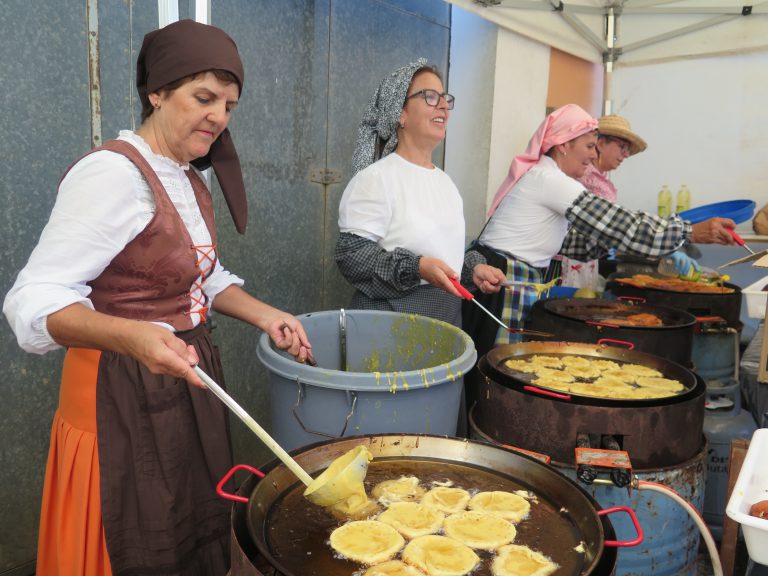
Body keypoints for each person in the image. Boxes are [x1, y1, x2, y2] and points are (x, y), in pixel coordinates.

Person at [3, 20, 312, 576]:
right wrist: (132, 335)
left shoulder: (186, 175)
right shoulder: (114, 175)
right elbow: (32, 303)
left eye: (230, 104)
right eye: (204, 97)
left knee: (184, 525)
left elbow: (201, 274)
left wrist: (268, 316)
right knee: (135, 531)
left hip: (180, 377)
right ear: (157, 92)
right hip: (118, 389)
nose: (219, 115)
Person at [466, 103, 736, 355]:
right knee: (494, 367)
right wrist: (688, 232)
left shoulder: (548, 178)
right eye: (589, 146)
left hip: (509, 281)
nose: (594, 155)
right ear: (563, 145)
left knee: (501, 365)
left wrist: (614, 239)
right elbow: (622, 224)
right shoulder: (550, 180)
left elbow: (575, 245)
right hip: (497, 282)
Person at [335, 58, 505, 327]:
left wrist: (473, 269)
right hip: (390, 325)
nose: (443, 106)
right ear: (400, 114)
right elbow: (352, 257)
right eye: (429, 96)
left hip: (446, 322)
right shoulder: (375, 179)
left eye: (444, 98)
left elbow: (442, 252)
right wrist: (416, 267)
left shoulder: (447, 185)